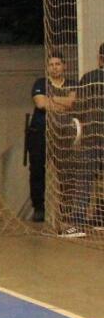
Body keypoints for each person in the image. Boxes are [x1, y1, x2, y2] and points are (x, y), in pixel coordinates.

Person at [28, 53, 76, 224]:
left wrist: (53, 99)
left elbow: (72, 103)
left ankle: (66, 209)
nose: (54, 67)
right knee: (37, 170)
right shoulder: (40, 83)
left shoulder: (72, 84)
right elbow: (41, 103)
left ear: (64, 66)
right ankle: (39, 208)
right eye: (51, 64)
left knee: (66, 171)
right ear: (47, 68)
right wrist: (61, 102)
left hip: (64, 134)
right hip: (40, 133)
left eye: (58, 64)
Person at [62, 42, 103, 237]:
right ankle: (100, 218)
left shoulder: (89, 78)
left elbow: (78, 106)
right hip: (93, 136)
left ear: (100, 58)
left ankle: (77, 223)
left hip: (93, 137)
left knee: (85, 180)